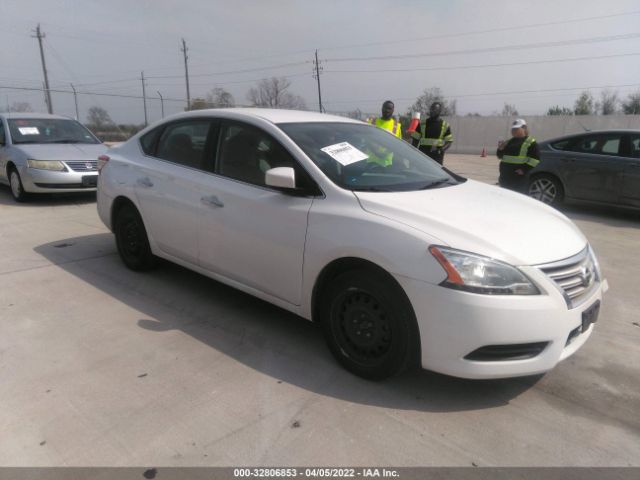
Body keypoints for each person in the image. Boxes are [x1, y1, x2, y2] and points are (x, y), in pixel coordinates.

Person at [496, 118, 540, 193]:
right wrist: (500, 149)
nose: (513, 131)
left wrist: (524, 170)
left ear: (524, 128)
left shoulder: (531, 142)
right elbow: (500, 156)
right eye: (513, 129)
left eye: (516, 128)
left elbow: (535, 159)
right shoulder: (509, 141)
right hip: (505, 177)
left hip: (518, 179)